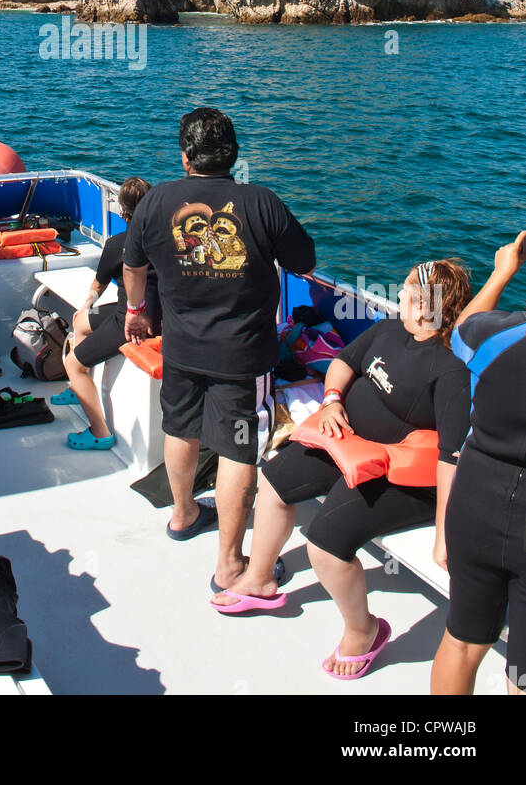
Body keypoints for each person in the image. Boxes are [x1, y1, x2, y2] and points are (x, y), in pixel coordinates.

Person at [220, 258, 472, 681]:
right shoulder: (390, 330)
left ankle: (365, 631)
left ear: (435, 304)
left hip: (399, 473)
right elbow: (344, 362)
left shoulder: (449, 369)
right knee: (274, 480)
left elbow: (451, 457)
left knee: (325, 545)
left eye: (412, 288)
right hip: (348, 440)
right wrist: (333, 399)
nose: (402, 293)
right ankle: (260, 580)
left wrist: (444, 536)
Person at [122, 106, 316, 594]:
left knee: (181, 428)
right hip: (242, 356)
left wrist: (135, 309)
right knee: (237, 449)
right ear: (232, 154)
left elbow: (132, 263)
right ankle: (229, 566)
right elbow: (304, 260)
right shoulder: (261, 202)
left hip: (181, 348)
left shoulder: (155, 201)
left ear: (186, 157)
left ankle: (184, 514)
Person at [431, 231, 526, 696]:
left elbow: (463, 329)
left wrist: (503, 271)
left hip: (477, 498)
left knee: (464, 641)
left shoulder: (502, 337)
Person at [53, 177, 162, 450]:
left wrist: (86, 303)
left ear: (122, 211)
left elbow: (98, 285)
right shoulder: (167, 241)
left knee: (73, 364)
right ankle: (78, 391)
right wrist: (85, 313)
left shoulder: (118, 245)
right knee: (81, 323)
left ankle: (99, 432)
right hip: (163, 318)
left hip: (128, 322)